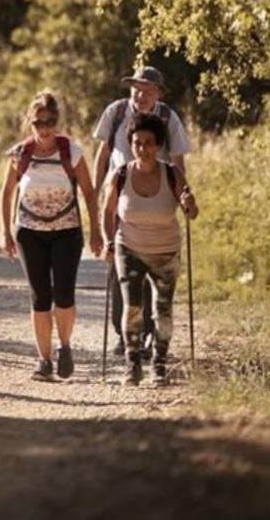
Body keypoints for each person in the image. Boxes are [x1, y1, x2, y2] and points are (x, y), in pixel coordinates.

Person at [0, 90, 103, 380]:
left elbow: (89, 192)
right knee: (40, 296)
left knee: (64, 295)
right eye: (38, 122)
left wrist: (96, 231)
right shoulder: (21, 153)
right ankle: (43, 360)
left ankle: (65, 345)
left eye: (49, 121)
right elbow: (7, 192)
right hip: (29, 233)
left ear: (56, 121)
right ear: (30, 123)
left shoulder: (72, 151)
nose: (44, 128)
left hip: (67, 231)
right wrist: (6, 232)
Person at [91, 65, 192, 361]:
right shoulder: (116, 112)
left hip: (155, 201)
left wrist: (179, 196)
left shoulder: (167, 118)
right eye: (136, 87)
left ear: (159, 93)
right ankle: (126, 338)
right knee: (121, 272)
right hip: (120, 196)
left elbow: (177, 161)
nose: (140, 93)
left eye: (147, 89)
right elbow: (103, 155)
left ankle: (148, 334)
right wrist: (95, 193)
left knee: (152, 274)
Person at [100, 111, 199, 386]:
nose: (143, 148)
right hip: (129, 247)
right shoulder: (121, 174)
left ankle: (159, 365)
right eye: (137, 143)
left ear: (158, 145)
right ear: (130, 144)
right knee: (132, 307)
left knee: (162, 310)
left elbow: (192, 213)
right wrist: (108, 241)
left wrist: (189, 203)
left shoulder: (172, 173)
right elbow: (108, 213)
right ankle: (132, 366)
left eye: (148, 143)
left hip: (166, 251)